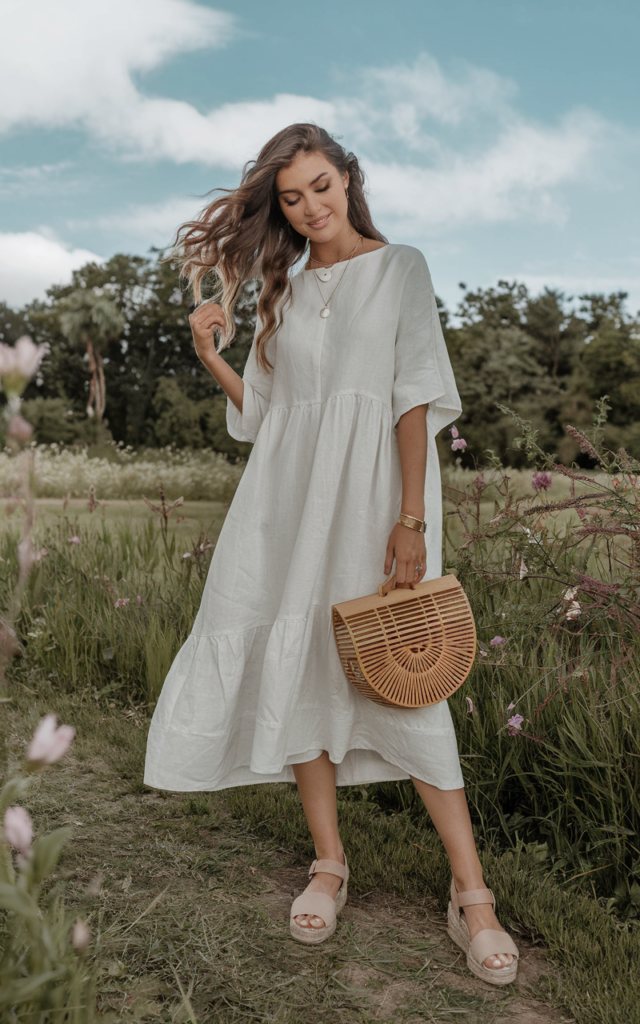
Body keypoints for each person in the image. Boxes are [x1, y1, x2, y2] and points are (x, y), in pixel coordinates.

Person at [143, 123, 519, 984]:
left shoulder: (400, 269)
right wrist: (213, 357)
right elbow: (270, 421)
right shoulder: (281, 291)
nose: (310, 207)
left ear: (349, 178)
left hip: (374, 505)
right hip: (281, 510)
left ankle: (473, 897)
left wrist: (411, 520)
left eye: (321, 185)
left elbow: (414, 399)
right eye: (291, 197)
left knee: (404, 679)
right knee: (298, 664)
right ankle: (329, 863)